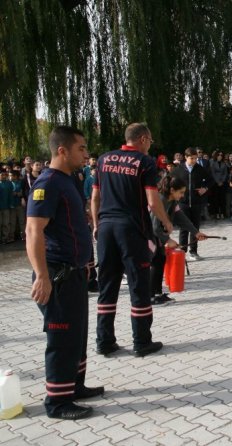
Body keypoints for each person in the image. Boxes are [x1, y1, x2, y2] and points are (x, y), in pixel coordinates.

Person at [25, 126, 104, 420]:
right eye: (81, 148)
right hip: (56, 276)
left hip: (74, 274)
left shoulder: (68, 180)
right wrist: (42, 276)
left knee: (77, 335)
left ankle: (75, 386)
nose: (86, 154)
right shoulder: (47, 183)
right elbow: (33, 230)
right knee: (60, 339)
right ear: (62, 150)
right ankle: (58, 403)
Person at [92, 123, 173, 358]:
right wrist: (166, 222)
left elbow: (95, 196)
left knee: (107, 285)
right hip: (131, 230)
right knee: (138, 284)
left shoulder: (103, 160)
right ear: (143, 139)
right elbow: (152, 200)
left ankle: (104, 341)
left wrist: (97, 225)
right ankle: (141, 341)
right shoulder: (144, 162)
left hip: (106, 228)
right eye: (150, 140)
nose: (150, 145)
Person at [150, 176, 208, 305]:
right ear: (171, 190)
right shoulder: (159, 200)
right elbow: (154, 226)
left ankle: (157, 294)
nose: (182, 196)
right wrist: (167, 239)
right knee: (156, 262)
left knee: (160, 261)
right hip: (147, 235)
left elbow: (180, 217)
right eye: (180, 192)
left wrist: (195, 232)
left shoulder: (172, 201)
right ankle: (151, 296)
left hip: (156, 235)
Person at [172, 147, 212, 261]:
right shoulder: (179, 169)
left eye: (195, 158)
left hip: (196, 202)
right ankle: (182, 252)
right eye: (191, 158)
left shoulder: (199, 168)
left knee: (195, 228)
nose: (194, 161)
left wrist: (205, 188)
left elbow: (211, 179)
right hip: (182, 203)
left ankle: (193, 252)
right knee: (183, 228)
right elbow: (169, 180)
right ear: (185, 157)